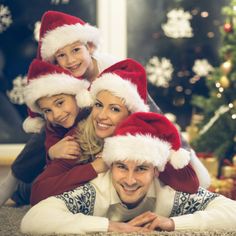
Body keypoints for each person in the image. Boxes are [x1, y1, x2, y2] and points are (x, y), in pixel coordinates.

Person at [0, 11, 209, 207]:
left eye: (75, 50)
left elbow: (155, 117)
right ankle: (17, 187)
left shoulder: (118, 78)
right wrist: (50, 154)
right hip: (77, 152)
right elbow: (49, 132)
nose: (71, 60)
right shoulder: (66, 99)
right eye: (61, 56)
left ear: (89, 47)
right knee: (41, 178)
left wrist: (183, 156)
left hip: (107, 149)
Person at [20, 111, 236, 234]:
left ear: (156, 171)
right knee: (21, 192)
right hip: (32, 182)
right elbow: (33, 220)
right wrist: (110, 226)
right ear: (110, 165)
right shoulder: (95, 191)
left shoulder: (170, 193)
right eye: (122, 167)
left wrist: (173, 223)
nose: (130, 180)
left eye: (141, 168)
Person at [30, 58, 203, 206]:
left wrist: (151, 149)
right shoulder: (81, 135)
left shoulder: (148, 138)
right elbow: (37, 193)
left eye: (114, 109)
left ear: (131, 114)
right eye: (98, 105)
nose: (101, 116)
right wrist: (93, 167)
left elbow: (191, 185)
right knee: (22, 191)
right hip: (30, 182)